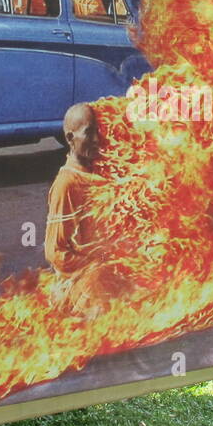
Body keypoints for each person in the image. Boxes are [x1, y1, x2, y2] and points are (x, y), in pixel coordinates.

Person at [43, 103, 130, 317]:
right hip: (85, 290)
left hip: (106, 278)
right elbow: (55, 252)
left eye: (97, 132)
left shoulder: (97, 171)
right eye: (88, 133)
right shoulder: (67, 184)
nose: (96, 140)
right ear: (70, 139)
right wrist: (96, 267)